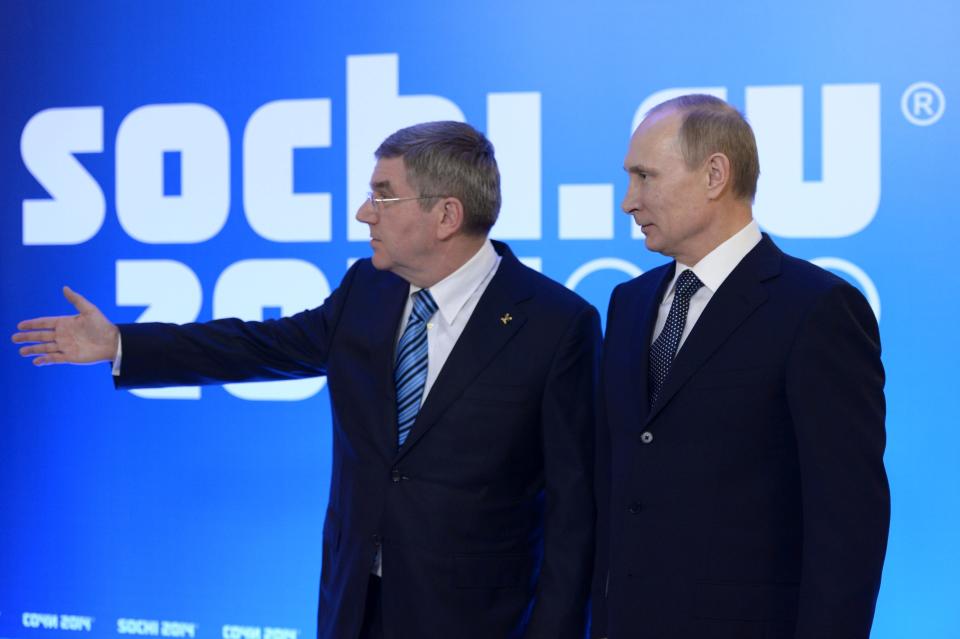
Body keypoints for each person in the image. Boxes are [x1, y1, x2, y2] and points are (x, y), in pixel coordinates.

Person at [13, 121, 600, 639]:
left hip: (477, 619)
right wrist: (121, 343)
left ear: (445, 215)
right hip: (353, 605)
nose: (363, 213)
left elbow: (575, 513)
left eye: (383, 196)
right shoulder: (367, 291)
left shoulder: (555, 324)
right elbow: (258, 346)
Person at [591, 95, 889, 639]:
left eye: (645, 176)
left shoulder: (816, 308)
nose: (628, 202)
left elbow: (848, 522)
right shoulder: (628, 303)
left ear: (715, 174)